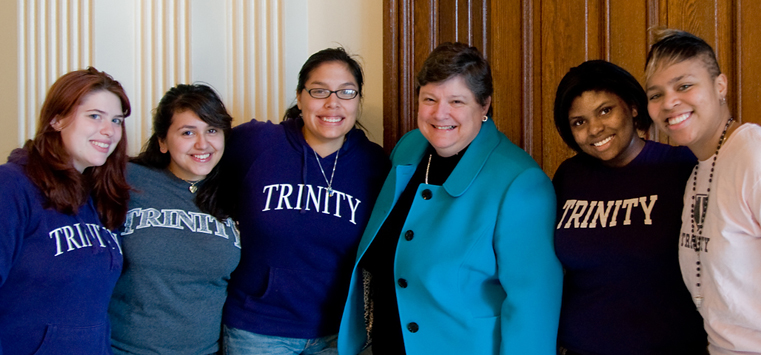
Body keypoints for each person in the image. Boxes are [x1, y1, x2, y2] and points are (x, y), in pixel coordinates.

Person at [337, 42, 563, 355]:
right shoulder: (409, 149)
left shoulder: (521, 183)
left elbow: (533, 308)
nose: (439, 113)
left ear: (484, 106)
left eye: (457, 101)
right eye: (429, 99)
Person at [219, 48, 390, 354]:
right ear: (299, 97)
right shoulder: (256, 143)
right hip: (257, 331)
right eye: (319, 91)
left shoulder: (375, 165)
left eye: (346, 92)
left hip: (339, 335)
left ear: (358, 101)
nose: (333, 103)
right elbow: (195, 160)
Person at [551, 60, 706, 355]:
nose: (595, 129)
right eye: (579, 122)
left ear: (633, 108)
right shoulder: (569, 176)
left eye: (605, 110)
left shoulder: (680, 168)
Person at [645, 28, 761, 355]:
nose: (669, 102)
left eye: (684, 86)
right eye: (655, 94)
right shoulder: (700, 169)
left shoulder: (757, 158)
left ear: (720, 86)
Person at [0, 67, 131, 354]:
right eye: (94, 116)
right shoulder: (11, 186)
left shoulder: (102, 195)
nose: (109, 131)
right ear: (57, 119)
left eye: (117, 120)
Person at [108, 84, 241, 354]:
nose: (202, 144)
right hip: (123, 349)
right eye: (188, 132)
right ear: (162, 141)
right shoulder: (125, 179)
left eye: (212, 130)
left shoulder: (237, 194)